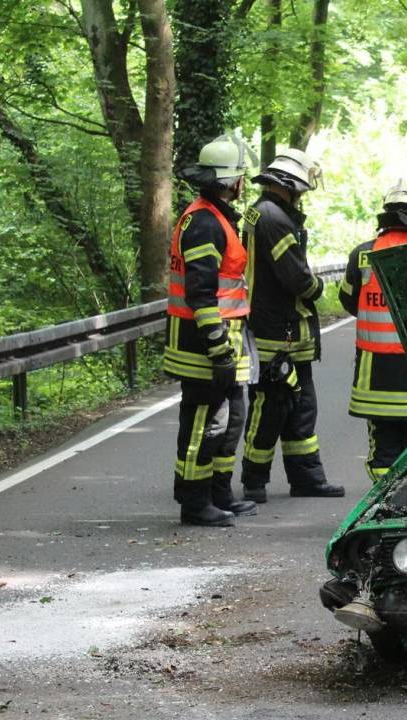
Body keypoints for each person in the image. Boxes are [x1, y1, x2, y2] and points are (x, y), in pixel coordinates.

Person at [164, 133, 259, 527]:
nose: (243, 184)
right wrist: (219, 347)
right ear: (231, 180)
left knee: (231, 418)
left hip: (225, 345)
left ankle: (219, 491)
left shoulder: (215, 217)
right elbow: (201, 294)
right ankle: (194, 500)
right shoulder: (204, 223)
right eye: (241, 177)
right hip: (204, 347)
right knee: (205, 422)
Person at [239, 148, 345, 502]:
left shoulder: (265, 212)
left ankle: (307, 478)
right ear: (289, 185)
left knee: (301, 409)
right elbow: (296, 277)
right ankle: (254, 481)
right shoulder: (273, 219)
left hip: (288, 332)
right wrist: (316, 287)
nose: (302, 196)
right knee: (270, 408)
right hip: (276, 333)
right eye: (301, 189)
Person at [339, 179, 407, 481]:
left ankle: (383, 507)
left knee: (383, 454)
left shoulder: (362, 255)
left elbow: (348, 300)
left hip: (374, 380)